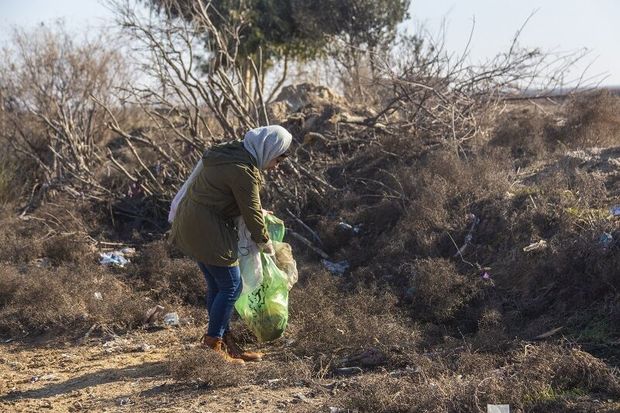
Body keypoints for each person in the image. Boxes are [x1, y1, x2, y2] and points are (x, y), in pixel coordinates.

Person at [169, 125, 292, 364]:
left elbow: (225, 195)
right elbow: (252, 212)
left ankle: (224, 341)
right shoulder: (243, 170)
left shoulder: (230, 153)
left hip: (192, 220)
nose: (278, 164)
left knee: (218, 285)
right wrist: (265, 242)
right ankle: (212, 344)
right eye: (279, 158)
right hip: (206, 227)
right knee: (232, 286)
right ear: (268, 149)